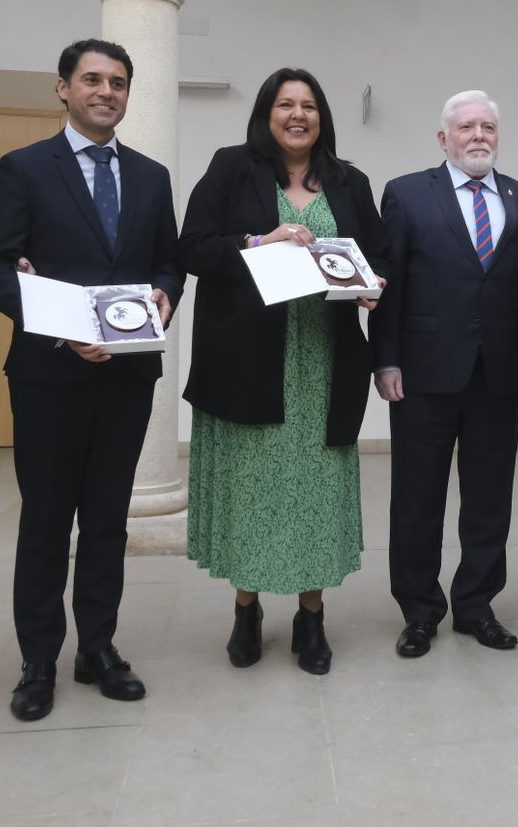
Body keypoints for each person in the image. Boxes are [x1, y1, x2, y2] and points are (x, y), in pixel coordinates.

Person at [0, 39, 183, 721]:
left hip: (128, 377)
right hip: (48, 374)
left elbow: (170, 261)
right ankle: (38, 658)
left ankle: (97, 647)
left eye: (119, 82)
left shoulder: (153, 176)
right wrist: (61, 327)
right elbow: (0, 271)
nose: (107, 91)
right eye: (93, 79)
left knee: (106, 521)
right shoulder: (22, 169)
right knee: (46, 520)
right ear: (63, 89)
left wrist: (164, 294)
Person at [178, 68, 384, 676]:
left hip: (324, 359)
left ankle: (311, 617)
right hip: (248, 361)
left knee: (315, 490)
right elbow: (189, 248)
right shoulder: (230, 167)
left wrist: (376, 286)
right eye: (286, 104)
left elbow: (379, 256)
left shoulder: (351, 182)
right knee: (255, 489)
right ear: (267, 113)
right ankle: (247, 610)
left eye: (310, 106)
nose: (299, 115)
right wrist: (256, 242)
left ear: (323, 117)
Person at [372, 90, 518, 658]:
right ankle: (419, 611)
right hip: (422, 373)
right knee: (417, 499)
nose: (478, 136)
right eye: (466, 127)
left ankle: (475, 605)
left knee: (489, 499)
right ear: (443, 138)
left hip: (497, 374)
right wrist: (386, 358)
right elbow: (387, 283)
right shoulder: (406, 193)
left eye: (488, 127)